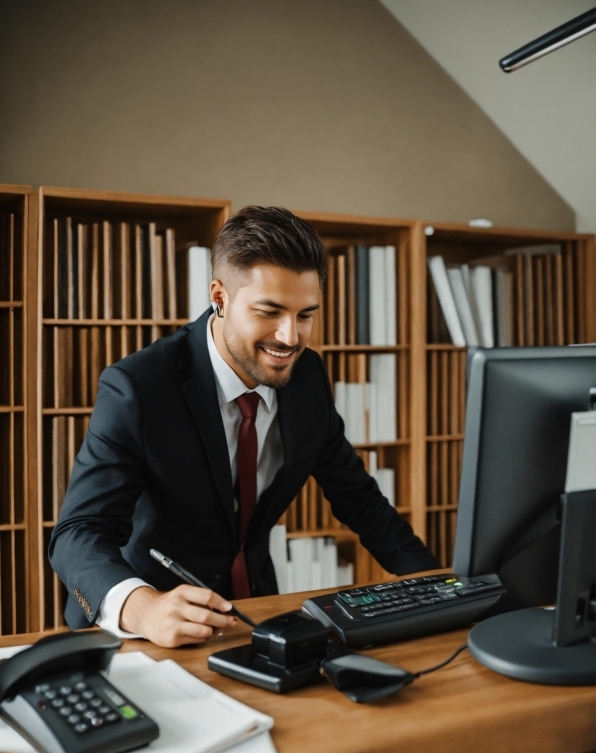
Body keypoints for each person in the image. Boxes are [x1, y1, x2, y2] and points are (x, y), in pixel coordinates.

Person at [50, 206, 438, 647]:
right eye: (269, 311)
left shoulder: (307, 377)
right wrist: (143, 607)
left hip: (254, 612)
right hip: (147, 627)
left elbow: (361, 502)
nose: (290, 337)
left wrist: (443, 589)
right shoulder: (139, 387)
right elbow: (77, 532)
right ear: (220, 296)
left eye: (305, 315)